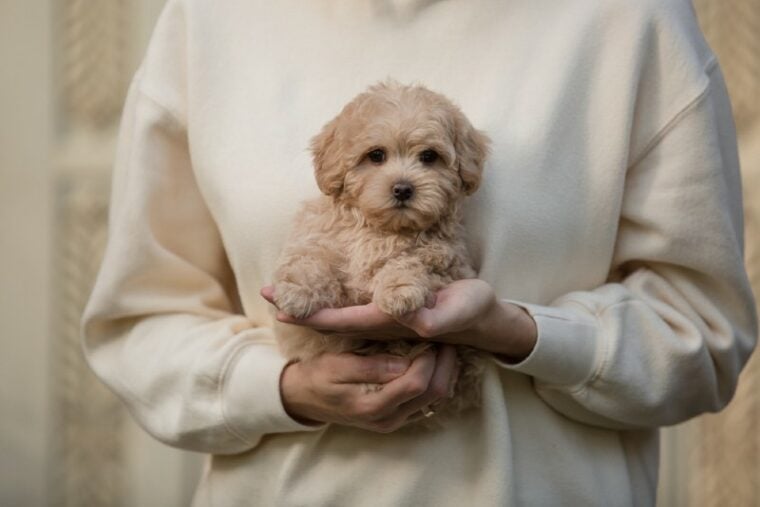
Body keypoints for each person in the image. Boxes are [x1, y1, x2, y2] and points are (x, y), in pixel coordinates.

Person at [81, 0, 758, 504]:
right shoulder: (208, 20)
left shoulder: (632, 20)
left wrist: (523, 333)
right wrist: (284, 388)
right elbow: (141, 322)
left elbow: (700, 328)